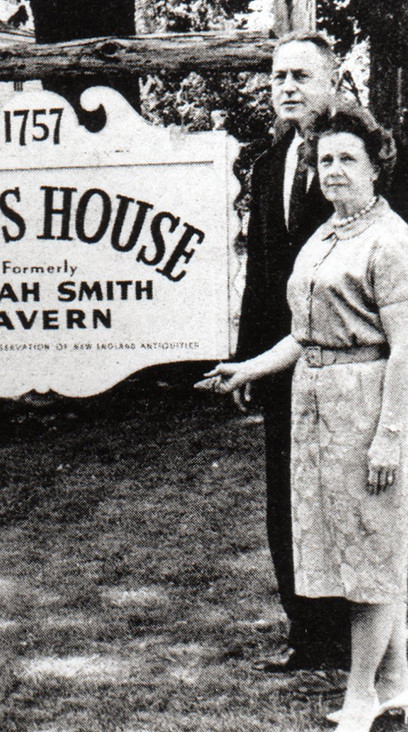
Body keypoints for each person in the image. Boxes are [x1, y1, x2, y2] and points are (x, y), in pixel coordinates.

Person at [208, 104, 408, 732]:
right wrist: (248, 369)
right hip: (316, 405)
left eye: (349, 158)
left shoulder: (391, 239)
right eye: (325, 160)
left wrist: (390, 437)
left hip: (369, 403)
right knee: (357, 547)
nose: (334, 170)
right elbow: (303, 335)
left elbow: (406, 346)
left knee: (371, 550)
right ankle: (399, 681)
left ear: (377, 166)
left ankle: (360, 698)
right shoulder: (325, 235)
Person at [238, 31, 353, 672]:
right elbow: (260, 279)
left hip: (347, 361)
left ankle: (353, 631)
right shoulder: (265, 166)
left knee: (345, 496)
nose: (286, 87)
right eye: (278, 76)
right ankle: (307, 632)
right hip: (281, 370)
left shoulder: (362, 162)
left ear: (333, 84)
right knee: (286, 499)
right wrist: (245, 362)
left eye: (301, 76)